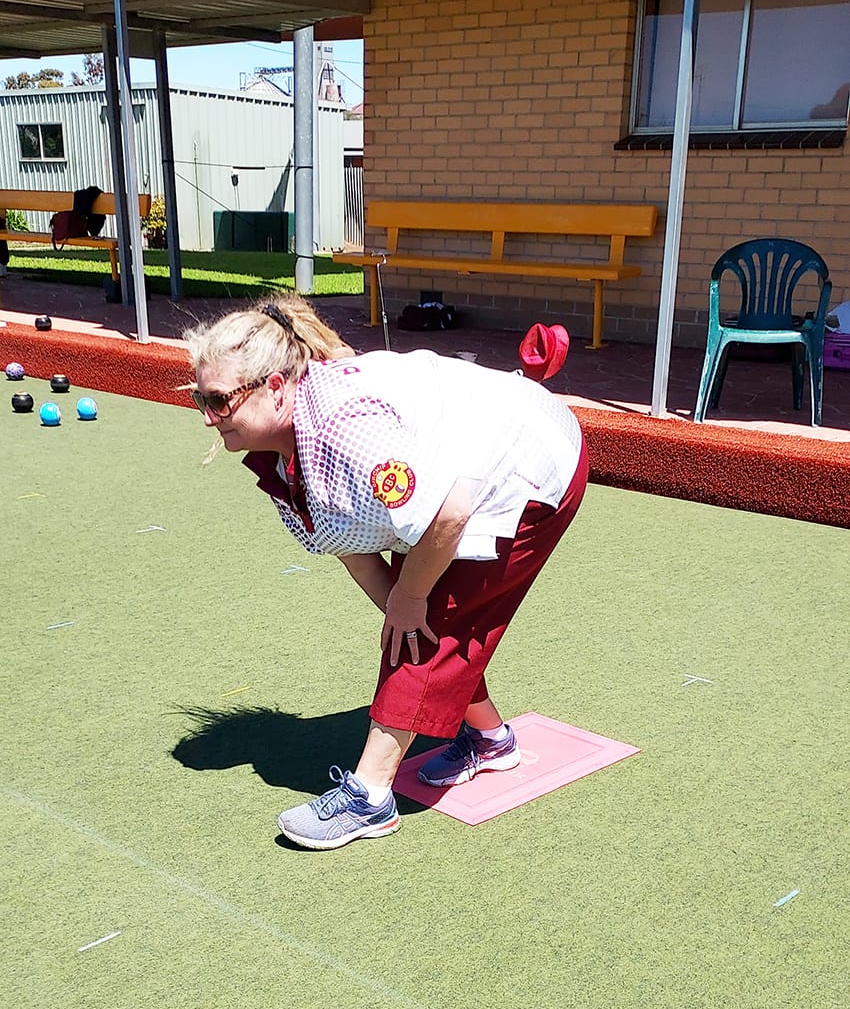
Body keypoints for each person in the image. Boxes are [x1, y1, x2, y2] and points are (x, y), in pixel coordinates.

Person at [185, 295, 588, 850]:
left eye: (218, 399)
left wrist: (414, 603)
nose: (207, 415)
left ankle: (370, 798)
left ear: (275, 388)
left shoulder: (348, 432)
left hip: (533, 462)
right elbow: (350, 546)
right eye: (198, 398)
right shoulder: (283, 451)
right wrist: (406, 609)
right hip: (456, 483)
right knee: (422, 623)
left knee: (435, 615)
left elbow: (449, 513)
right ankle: (491, 739)